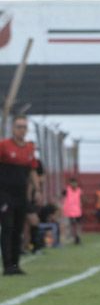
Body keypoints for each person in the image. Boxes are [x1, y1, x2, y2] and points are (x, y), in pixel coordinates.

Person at [1, 116, 42, 275]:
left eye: (24, 127)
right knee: (7, 228)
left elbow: (32, 170)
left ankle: (16, 264)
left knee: (18, 228)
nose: (22, 130)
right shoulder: (4, 145)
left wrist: (37, 190)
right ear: (13, 128)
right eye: (19, 126)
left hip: (21, 195)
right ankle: (7, 265)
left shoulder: (29, 149)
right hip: (5, 194)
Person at [62, 177, 83, 245]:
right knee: (70, 225)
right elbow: (62, 196)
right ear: (70, 184)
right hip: (69, 211)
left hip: (77, 211)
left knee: (78, 225)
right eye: (72, 183)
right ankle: (71, 237)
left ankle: (78, 237)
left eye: (75, 183)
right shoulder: (66, 190)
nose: (74, 184)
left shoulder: (79, 190)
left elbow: (81, 198)